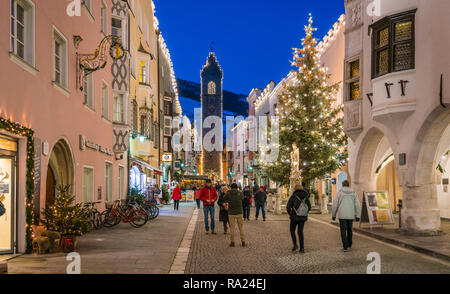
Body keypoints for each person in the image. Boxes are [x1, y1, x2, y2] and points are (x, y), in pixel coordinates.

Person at [332, 180, 361, 252]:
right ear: (348, 185)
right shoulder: (354, 193)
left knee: (343, 230)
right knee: (349, 230)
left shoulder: (339, 193)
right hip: (350, 214)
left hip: (342, 215)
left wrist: (334, 215)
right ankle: (349, 244)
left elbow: (335, 204)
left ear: (342, 185)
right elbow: (357, 204)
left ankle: (345, 246)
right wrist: (358, 215)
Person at [286, 184, 311, 253]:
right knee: (300, 232)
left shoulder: (293, 196)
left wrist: (291, 214)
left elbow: (288, 207)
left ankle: (295, 245)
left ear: (295, 189)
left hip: (294, 217)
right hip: (302, 217)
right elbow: (309, 207)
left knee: (292, 230)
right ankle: (302, 248)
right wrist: (304, 213)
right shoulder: (306, 196)